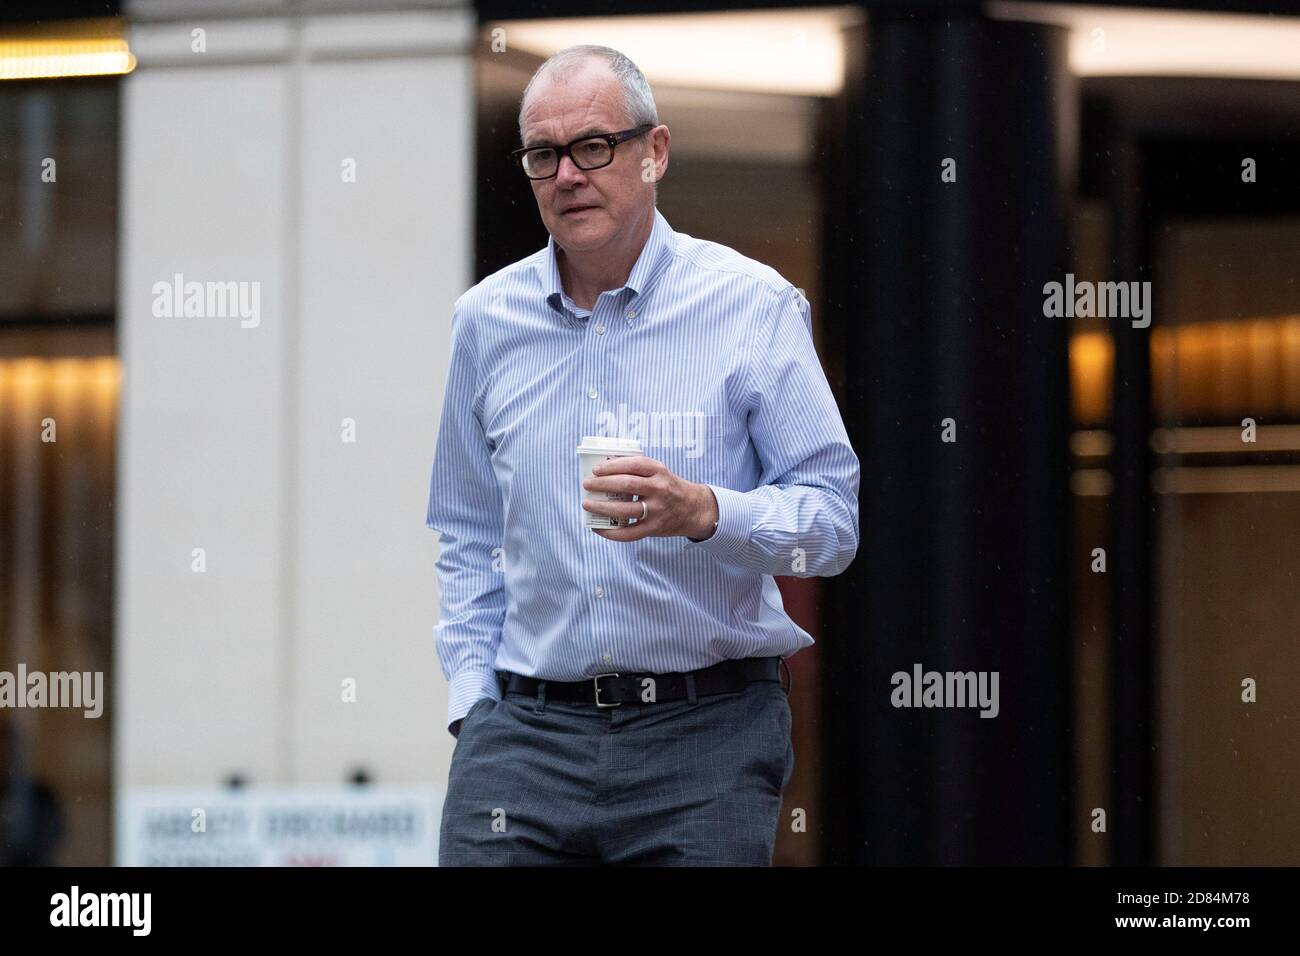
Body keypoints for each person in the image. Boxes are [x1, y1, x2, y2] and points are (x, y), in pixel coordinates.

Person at [426, 44, 860, 866]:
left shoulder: (752, 306)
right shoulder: (485, 321)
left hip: (703, 735)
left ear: (654, 152)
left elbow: (832, 523)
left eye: (594, 146)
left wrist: (706, 513)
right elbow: (464, 528)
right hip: (522, 738)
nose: (567, 175)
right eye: (543, 155)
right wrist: (473, 700)